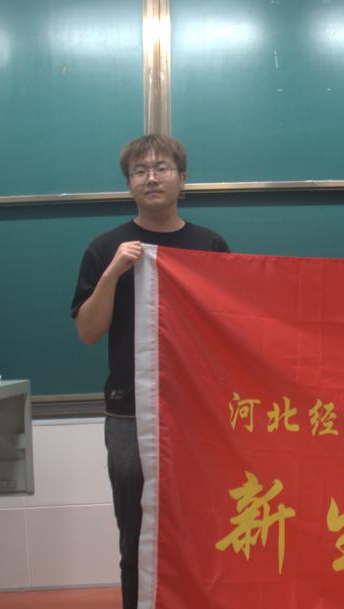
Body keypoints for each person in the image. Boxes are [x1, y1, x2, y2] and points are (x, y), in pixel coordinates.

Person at [71, 134, 230, 609]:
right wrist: (112, 273)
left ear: (183, 179)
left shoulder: (209, 245)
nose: (152, 177)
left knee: (203, 526)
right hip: (129, 414)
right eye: (140, 171)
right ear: (129, 184)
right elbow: (88, 332)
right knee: (136, 536)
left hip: (196, 413)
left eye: (162, 168)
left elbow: (229, 328)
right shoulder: (106, 248)